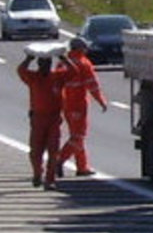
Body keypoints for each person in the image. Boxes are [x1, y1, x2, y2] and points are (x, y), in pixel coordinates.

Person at [56, 34, 108, 178]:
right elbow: (93, 86)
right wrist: (101, 101)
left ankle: (82, 166)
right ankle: (59, 160)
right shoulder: (83, 63)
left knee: (76, 136)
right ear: (81, 49)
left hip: (66, 105)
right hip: (78, 104)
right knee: (78, 136)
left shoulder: (63, 63)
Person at [17, 50, 65, 187]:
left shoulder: (57, 77)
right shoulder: (33, 77)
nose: (46, 66)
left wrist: (63, 58)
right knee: (35, 151)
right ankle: (37, 174)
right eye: (43, 63)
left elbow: (74, 72)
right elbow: (20, 70)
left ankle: (50, 179)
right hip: (38, 118)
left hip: (54, 118)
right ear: (38, 64)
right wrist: (28, 59)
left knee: (53, 151)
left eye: (48, 63)